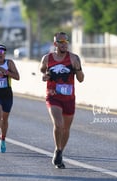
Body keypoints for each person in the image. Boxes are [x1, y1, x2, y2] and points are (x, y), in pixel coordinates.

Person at [39, 32, 84, 169]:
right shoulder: (47, 58)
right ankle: (57, 150)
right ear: (55, 44)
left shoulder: (74, 58)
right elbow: (42, 71)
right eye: (61, 41)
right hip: (53, 96)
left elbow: (81, 79)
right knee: (58, 124)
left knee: (66, 128)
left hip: (69, 98)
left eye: (66, 41)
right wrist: (45, 76)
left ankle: (59, 151)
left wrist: (77, 69)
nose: (64, 44)